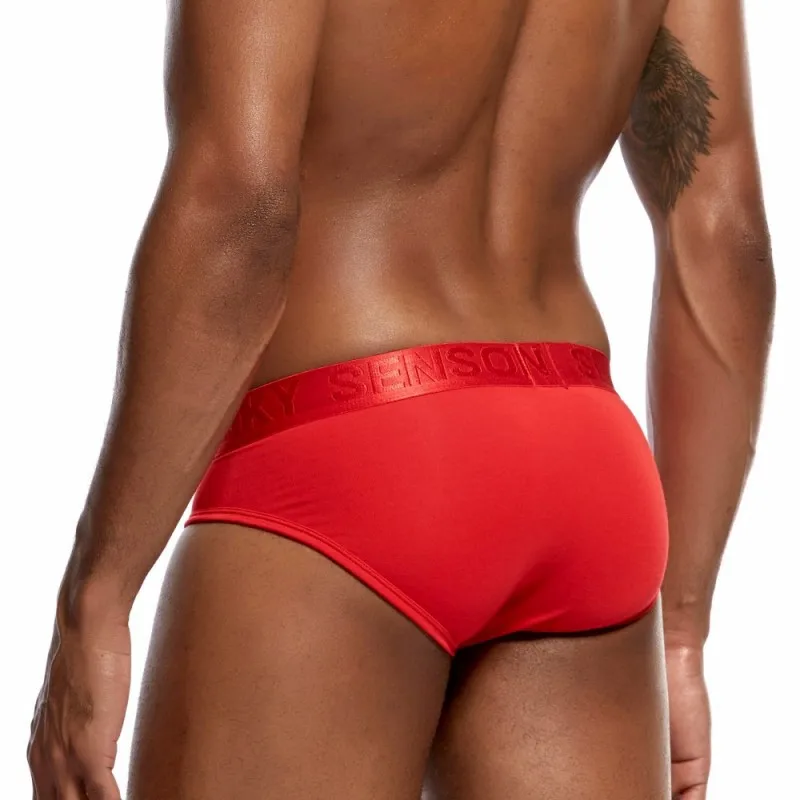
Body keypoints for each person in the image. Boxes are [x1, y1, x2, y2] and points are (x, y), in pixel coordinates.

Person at [27, 0, 775, 797]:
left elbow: (241, 207)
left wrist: (97, 593)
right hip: (585, 464)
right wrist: (681, 631)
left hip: (348, 458)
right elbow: (724, 236)